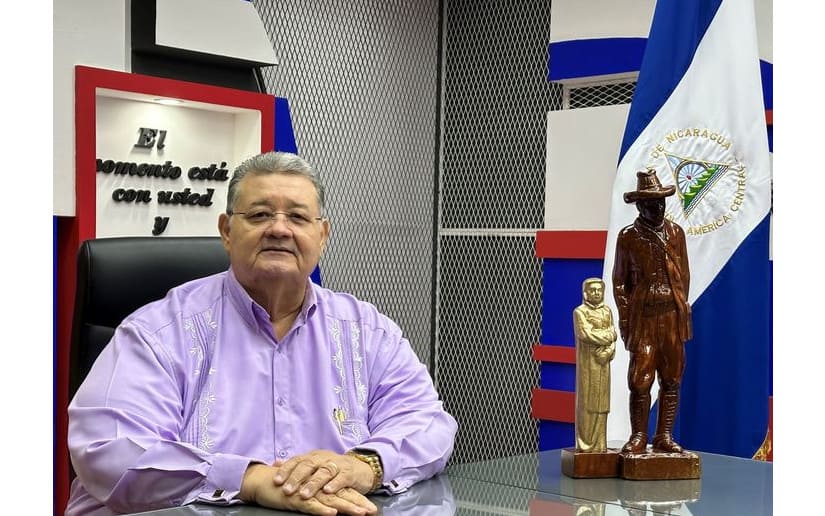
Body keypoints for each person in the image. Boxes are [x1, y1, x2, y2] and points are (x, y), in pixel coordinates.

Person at [66, 151, 458, 516]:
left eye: (298, 217)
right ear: (226, 230)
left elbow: (427, 423)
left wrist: (363, 465)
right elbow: (109, 449)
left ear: (322, 236)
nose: (279, 229)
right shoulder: (159, 332)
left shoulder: (367, 331)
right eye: (259, 215)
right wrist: (250, 480)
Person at [612, 169, 691, 455]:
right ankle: (638, 436)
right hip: (643, 318)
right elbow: (619, 282)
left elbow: (684, 274)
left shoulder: (675, 233)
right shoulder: (628, 237)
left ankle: (664, 436)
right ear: (640, 206)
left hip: (671, 317)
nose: (658, 207)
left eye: (661, 202)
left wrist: (679, 306)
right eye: (651, 203)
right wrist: (626, 321)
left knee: (672, 377)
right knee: (640, 379)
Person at [572, 278, 616, 453]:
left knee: (602, 405)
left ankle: (599, 445)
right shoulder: (580, 312)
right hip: (588, 365)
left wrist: (609, 352)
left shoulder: (607, 311)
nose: (597, 293)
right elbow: (586, 334)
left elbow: (614, 333)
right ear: (585, 293)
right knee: (587, 405)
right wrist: (608, 337)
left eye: (599, 290)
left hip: (603, 365)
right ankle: (586, 445)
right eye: (593, 290)